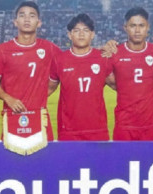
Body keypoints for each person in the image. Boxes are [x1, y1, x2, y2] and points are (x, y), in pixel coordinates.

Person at [0, 1, 60, 140]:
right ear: (15, 22)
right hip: (12, 116)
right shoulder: (2, 50)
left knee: (44, 160)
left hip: (40, 117)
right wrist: (8, 99)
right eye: (22, 15)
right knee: (11, 160)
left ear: (38, 22)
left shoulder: (49, 48)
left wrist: (41, 95)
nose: (27, 19)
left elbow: (71, 59)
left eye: (32, 15)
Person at [48, 13, 111, 141]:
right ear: (69, 35)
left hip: (97, 130)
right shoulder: (59, 60)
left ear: (92, 34)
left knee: (98, 161)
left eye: (86, 30)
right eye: (76, 30)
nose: (81, 34)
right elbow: (47, 89)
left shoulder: (103, 58)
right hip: (68, 131)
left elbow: (121, 86)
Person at [106, 7, 153, 141]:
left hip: (151, 124)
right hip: (124, 124)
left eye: (141, 25)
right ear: (125, 27)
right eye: (133, 26)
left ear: (147, 27)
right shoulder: (114, 53)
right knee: (122, 161)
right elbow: (111, 81)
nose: (137, 31)